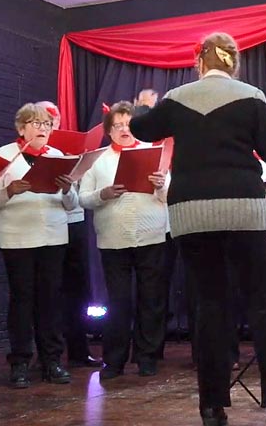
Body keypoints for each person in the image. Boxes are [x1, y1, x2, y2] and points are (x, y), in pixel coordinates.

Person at [130, 32, 266, 426]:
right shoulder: (250, 95)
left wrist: (146, 108)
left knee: (209, 306)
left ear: (199, 63)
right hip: (242, 209)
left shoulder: (177, 97)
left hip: (191, 214)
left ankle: (211, 408)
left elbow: (142, 129)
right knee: (262, 305)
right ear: (234, 62)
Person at [0, 103, 77, 388]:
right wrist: (8, 191)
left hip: (53, 237)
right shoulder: (5, 155)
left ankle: (52, 361)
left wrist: (66, 188)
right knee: (22, 301)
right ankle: (20, 362)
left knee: (50, 301)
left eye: (47, 125)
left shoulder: (57, 156)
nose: (42, 129)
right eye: (36, 124)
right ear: (21, 128)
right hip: (18, 238)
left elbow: (72, 204)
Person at [79, 101, 170, 380]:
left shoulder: (154, 154)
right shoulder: (97, 159)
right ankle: (114, 360)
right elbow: (83, 198)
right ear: (109, 131)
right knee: (118, 301)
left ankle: (147, 357)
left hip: (151, 235)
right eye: (117, 125)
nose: (123, 129)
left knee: (151, 299)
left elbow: (170, 196)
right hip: (113, 239)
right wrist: (103, 194)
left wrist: (161, 184)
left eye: (128, 123)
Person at [36, 100, 99, 368]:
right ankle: (46, 353)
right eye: (45, 118)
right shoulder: (35, 148)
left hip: (74, 219)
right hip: (46, 224)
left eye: (54, 117)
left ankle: (78, 348)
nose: (52, 121)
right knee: (47, 289)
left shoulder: (66, 146)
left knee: (78, 288)